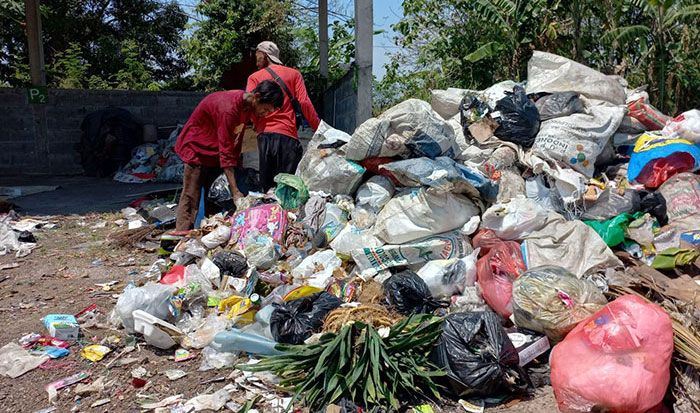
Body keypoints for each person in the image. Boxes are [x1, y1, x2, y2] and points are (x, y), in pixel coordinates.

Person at [174, 80, 284, 230]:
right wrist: (235, 191)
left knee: (215, 196)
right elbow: (226, 150)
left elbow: (236, 139)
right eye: (265, 109)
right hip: (197, 149)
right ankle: (181, 238)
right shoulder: (229, 108)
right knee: (191, 196)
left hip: (214, 152)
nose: (264, 114)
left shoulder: (247, 108)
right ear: (257, 96)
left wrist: (238, 166)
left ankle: (208, 232)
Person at [246, 41, 321, 191]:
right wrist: (319, 128)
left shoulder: (254, 77)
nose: (256, 60)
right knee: (288, 188)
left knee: (267, 189)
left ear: (265, 55)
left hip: (265, 136)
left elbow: (250, 105)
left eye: (258, 55)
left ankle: (269, 213)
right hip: (288, 136)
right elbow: (304, 102)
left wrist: (255, 124)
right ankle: (288, 214)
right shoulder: (294, 74)